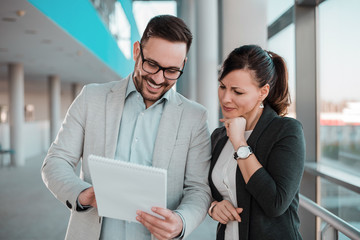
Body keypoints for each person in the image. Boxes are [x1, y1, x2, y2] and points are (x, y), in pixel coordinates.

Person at [41, 15, 212, 240]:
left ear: (183, 65)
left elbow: (199, 189)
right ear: (136, 51)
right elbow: (56, 161)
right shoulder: (91, 98)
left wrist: (181, 221)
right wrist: (84, 195)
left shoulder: (195, 117)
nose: (159, 79)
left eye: (171, 70)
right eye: (151, 64)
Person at [207, 45, 305, 240]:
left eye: (238, 92)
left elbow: (275, 203)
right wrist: (213, 207)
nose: (226, 98)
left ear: (263, 92)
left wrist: (239, 142)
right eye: (222, 86)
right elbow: (211, 190)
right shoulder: (219, 136)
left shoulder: (286, 131)